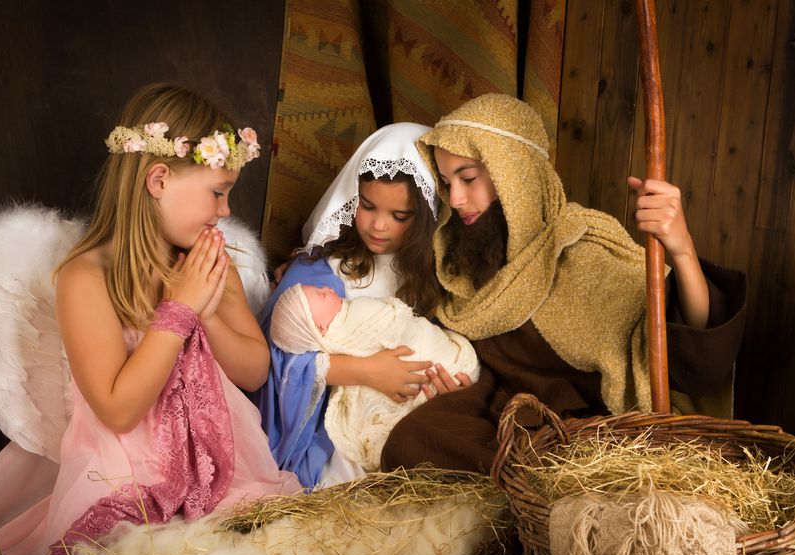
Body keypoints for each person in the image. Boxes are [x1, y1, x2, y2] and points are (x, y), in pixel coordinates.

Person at [0, 83, 301, 555]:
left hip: (224, 464)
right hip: (124, 474)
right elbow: (118, 408)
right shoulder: (87, 277)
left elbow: (254, 372)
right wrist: (178, 311)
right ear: (159, 180)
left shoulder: (210, 261)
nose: (226, 211)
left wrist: (208, 313)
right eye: (218, 192)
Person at [381, 93, 747, 473]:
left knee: (570, 465)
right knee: (415, 439)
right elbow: (499, 369)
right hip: (516, 415)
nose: (455, 199)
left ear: (515, 173)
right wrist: (465, 383)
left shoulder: (583, 250)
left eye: (468, 178)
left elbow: (696, 359)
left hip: (595, 429)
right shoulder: (469, 262)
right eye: (446, 182)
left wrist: (682, 248)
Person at [253, 122, 467, 489]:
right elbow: (271, 363)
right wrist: (364, 371)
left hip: (400, 428)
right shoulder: (320, 268)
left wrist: (449, 383)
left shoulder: (438, 282)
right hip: (323, 441)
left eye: (400, 217)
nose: (378, 226)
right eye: (367, 206)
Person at [269, 283, 479, 473]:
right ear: (321, 329)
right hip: (403, 402)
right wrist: (365, 369)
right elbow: (289, 361)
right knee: (401, 441)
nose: (328, 289)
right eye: (322, 295)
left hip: (442, 374)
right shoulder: (318, 288)